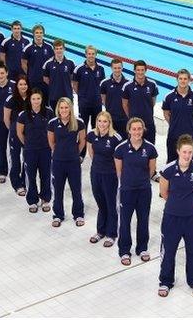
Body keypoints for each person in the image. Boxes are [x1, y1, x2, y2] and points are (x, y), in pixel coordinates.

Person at [158, 134, 193, 298]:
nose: (187, 155)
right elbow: (164, 193)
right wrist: (177, 204)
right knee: (169, 251)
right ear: (178, 151)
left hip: (192, 218)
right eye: (184, 152)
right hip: (172, 218)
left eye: (190, 152)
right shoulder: (168, 170)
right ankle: (165, 281)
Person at [114, 117, 158, 266]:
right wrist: (129, 181)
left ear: (143, 130)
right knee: (125, 221)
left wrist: (142, 180)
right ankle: (124, 250)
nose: (137, 132)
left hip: (144, 190)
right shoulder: (121, 149)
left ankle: (142, 248)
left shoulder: (150, 148)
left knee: (143, 219)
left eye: (139, 129)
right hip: (127, 190)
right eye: (134, 129)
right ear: (129, 130)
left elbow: (151, 170)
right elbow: (119, 171)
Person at [47, 97, 86, 227]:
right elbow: (51, 142)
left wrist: (74, 153)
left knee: (76, 189)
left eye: (66, 107)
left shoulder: (78, 122)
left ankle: (78, 214)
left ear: (70, 108)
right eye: (61, 107)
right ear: (58, 108)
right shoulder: (52, 123)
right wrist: (59, 153)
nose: (64, 110)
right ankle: (58, 215)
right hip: (58, 162)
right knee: (58, 190)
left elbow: (82, 142)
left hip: (73, 162)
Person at [87, 111, 123, 247]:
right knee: (100, 202)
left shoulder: (116, 138)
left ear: (109, 123)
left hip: (110, 174)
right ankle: (100, 231)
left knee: (111, 203)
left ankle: (111, 233)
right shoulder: (91, 135)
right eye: (100, 121)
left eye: (105, 121)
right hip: (96, 172)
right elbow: (91, 153)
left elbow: (119, 158)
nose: (102, 124)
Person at [16, 88, 54, 213]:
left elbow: (53, 132)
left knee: (46, 175)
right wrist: (27, 144)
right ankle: (32, 200)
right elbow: (20, 132)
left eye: (38, 98)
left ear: (42, 99)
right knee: (30, 176)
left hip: (45, 150)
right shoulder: (23, 115)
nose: (36, 101)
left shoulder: (48, 112)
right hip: (30, 150)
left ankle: (45, 198)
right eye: (34, 99)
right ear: (30, 100)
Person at [162, 69, 193, 163]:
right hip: (174, 134)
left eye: (185, 78)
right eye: (180, 78)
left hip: (191, 134)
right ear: (177, 79)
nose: (183, 81)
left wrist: (189, 122)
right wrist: (174, 123)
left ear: (189, 80)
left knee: (190, 161)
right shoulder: (169, 96)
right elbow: (166, 113)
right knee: (172, 161)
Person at [73, 45, 105, 160]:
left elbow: (102, 86)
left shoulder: (100, 69)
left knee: (98, 128)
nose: (91, 56)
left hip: (97, 103)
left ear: (96, 55)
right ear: (85, 54)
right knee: (83, 128)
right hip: (84, 104)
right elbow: (75, 85)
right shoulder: (79, 69)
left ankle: (97, 152)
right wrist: (83, 96)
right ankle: (81, 154)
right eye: (89, 54)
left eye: (93, 54)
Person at [122, 60, 159, 145]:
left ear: (146, 70)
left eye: (142, 70)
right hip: (133, 124)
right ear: (134, 71)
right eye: (138, 70)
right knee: (133, 146)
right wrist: (131, 117)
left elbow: (153, 102)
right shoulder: (127, 86)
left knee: (150, 147)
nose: (140, 72)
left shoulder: (152, 84)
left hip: (149, 122)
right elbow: (124, 104)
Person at [4, 76, 29, 193]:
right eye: (21, 84)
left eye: (25, 84)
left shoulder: (31, 99)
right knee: (15, 158)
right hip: (15, 133)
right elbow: (6, 118)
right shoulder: (11, 99)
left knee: (27, 158)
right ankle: (16, 183)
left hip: (28, 134)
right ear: (17, 86)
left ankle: (25, 181)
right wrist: (14, 130)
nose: (23, 87)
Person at [22, 24, 53, 103]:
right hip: (34, 81)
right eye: (37, 33)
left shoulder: (49, 47)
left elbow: (52, 62)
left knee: (46, 102)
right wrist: (31, 74)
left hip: (46, 81)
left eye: (40, 32)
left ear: (43, 34)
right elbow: (24, 64)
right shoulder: (28, 48)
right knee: (35, 102)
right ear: (33, 34)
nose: (39, 34)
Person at [43, 39, 75, 111]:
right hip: (54, 96)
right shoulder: (48, 63)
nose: (59, 50)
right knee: (54, 119)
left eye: (61, 48)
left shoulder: (70, 63)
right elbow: (45, 78)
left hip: (67, 95)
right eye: (57, 49)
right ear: (54, 50)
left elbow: (73, 78)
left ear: (64, 49)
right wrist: (54, 85)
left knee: (68, 118)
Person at [100, 58, 128, 139]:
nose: (117, 70)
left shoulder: (128, 83)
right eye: (115, 68)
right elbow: (103, 99)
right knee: (111, 142)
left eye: (119, 68)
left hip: (124, 119)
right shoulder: (105, 83)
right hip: (111, 118)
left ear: (122, 68)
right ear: (111, 68)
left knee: (124, 142)